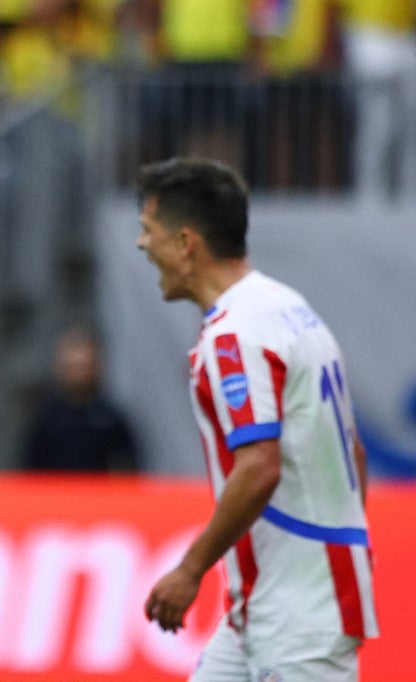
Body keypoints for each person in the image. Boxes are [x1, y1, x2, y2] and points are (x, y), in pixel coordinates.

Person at [135, 157, 378, 680]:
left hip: (299, 615)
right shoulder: (289, 308)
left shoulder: (235, 336)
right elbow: (352, 452)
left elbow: (259, 467)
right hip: (269, 605)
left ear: (185, 243)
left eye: (148, 231)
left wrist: (189, 569)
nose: (141, 245)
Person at [22, 326, 139, 472]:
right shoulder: (46, 419)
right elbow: (29, 473)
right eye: (72, 367)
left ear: (96, 367)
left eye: (83, 367)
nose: (78, 375)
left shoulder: (111, 421)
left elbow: (127, 470)